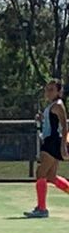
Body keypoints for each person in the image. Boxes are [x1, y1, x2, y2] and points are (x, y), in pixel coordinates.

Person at [26, 80, 69, 218]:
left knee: (40, 172)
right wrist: (41, 119)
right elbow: (50, 123)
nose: (48, 92)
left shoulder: (58, 105)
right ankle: (41, 207)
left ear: (59, 92)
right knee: (51, 176)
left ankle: (42, 208)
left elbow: (64, 126)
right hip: (50, 140)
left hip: (52, 142)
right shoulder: (51, 106)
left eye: (51, 90)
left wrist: (63, 145)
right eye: (47, 89)